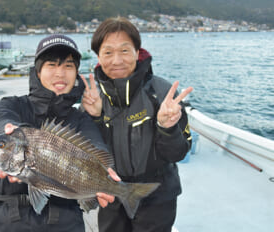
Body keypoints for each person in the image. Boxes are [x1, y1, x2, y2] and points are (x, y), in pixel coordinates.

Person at [0, 34, 118, 232]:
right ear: (38, 72)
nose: (60, 74)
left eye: (68, 66)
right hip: (6, 220)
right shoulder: (12, 105)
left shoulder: (81, 120)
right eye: (52, 65)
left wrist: (102, 176)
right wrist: (8, 132)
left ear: (77, 73)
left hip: (66, 221)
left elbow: (96, 146)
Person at [81, 17, 193, 232]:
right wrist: (95, 118)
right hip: (111, 195)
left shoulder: (162, 93)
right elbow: (85, 154)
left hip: (156, 195)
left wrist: (167, 128)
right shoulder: (92, 98)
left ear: (137, 51)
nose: (117, 60)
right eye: (108, 52)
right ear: (98, 56)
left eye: (124, 50)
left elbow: (177, 154)